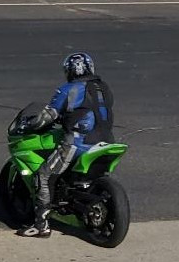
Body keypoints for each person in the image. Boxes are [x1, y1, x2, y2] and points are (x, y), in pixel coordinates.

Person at [17, 52, 115, 238]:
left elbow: (48, 116)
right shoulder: (104, 88)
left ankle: (41, 226)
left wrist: (28, 125)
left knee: (43, 176)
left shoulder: (69, 89)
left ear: (69, 71)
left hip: (78, 143)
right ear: (90, 68)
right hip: (107, 141)